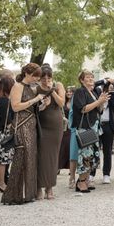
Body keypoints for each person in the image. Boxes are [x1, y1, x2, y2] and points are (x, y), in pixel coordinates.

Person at [2, 63, 43, 205]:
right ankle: (14, 195)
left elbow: (32, 108)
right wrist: (35, 99)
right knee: (21, 158)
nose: (36, 79)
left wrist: (43, 104)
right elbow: (15, 106)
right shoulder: (17, 86)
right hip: (21, 126)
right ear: (27, 73)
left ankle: (27, 194)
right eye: (35, 76)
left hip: (31, 126)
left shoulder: (30, 88)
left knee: (30, 159)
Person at [71, 70, 109, 194]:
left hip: (94, 127)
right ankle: (81, 182)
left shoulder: (93, 92)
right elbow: (83, 109)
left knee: (93, 156)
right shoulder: (79, 92)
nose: (91, 79)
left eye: (92, 77)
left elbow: (98, 110)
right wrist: (98, 102)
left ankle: (85, 179)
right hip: (85, 127)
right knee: (85, 155)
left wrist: (102, 102)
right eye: (88, 77)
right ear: (82, 80)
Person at [36, 65, 65, 200]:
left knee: (53, 157)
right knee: (40, 156)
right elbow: (33, 108)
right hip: (41, 125)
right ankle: (38, 188)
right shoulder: (35, 88)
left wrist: (51, 90)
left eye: (48, 77)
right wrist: (43, 106)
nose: (46, 80)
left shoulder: (58, 85)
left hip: (55, 127)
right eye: (43, 77)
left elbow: (61, 103)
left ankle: (50, 187)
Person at [91, 80, 114, 184]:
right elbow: (93, 85)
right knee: (94, 150)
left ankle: (106, 174)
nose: (108, 87)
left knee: (107, 151)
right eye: (107, 85)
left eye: (110, 86)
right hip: (96, 125)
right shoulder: (97, 92)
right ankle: (91, 174)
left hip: (108, 125)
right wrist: (104, 80)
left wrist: (111, 92)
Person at [0, 76, 15, 193]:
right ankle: (1, 182)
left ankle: (0, 182)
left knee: (0, 158)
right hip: (2, 133)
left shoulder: (0, 99)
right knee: (2, 158)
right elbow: (7, 118)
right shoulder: (5, 101)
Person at [57, 86, 74, 173]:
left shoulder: (75, 103)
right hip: (64, 127)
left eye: (71, 92)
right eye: (67, 92)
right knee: (62, 147)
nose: (69, 93)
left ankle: (71, 168)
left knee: (71, 148)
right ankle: (58, 167)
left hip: (73, 127)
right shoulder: (63, 103)